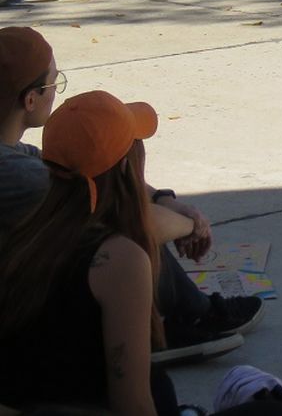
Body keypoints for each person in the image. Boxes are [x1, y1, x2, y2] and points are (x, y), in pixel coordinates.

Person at [0, 83, 282, 414]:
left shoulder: (27, 232)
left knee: (248, 383)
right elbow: (132, 406)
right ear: (127, 167)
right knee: (274, 408)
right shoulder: (117, 259)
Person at [0, 28, 265, 368]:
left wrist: (166, 200)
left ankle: (187, 310)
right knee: (121, 240)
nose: (56, 91)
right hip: (21, 312)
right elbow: (126, 222)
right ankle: (180, 321)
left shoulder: (12, 151)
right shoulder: (17, 175)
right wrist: (190, 224)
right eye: (54, 84)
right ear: (30, 99)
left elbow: (96, 179)